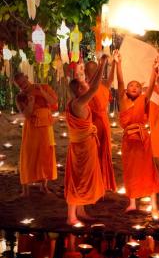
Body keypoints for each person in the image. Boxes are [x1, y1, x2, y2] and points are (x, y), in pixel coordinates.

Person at [115, 51, 159, 218]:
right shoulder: (123, 100)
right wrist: (117, 63)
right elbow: (120, 81)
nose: (134, 87)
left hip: (143, 140)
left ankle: (154, 205)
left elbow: (150, 86)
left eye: (137, 86)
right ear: (126, 89)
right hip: (129, 141)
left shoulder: (143, 99)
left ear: (140, 90)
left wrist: (154, 70)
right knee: (130, 171)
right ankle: (132, 203)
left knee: (149, 170)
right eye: (131, 85)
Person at [64, 55, 108, 225]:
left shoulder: (76, 102)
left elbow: (93, 86)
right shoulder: (78, 104)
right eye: (83, 85)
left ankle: (80, 211)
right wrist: (102, 64)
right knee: (78, 179)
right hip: (81, 148)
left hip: (85, 145)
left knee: (82, 178)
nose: (86, 85)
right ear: (80, 91)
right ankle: (71, 217)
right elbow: (95, 87)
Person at [14, 72, 58, 197]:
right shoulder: (20, 97)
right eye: (20, 85)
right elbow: (27, 115)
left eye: (24, 82)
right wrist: (31, 103)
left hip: (45, 126)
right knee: (28, 155)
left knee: (45, 155)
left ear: (27, 78)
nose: (23, 85)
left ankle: (44, 186)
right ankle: (25, 189)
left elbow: (54, 101)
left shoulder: (43, 87)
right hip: (31, 128)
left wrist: (42, 93)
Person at [84, 56, 116, 191]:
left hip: (95, 122)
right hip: (101, 121)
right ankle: (101, 180)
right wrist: (114, 63)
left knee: (95, 152)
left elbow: (109, 80)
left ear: (85, 72)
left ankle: (96, 181)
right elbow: (110, 80)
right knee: (103, 151)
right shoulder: (91, 86)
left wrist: (113, 63)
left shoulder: (85, 86)